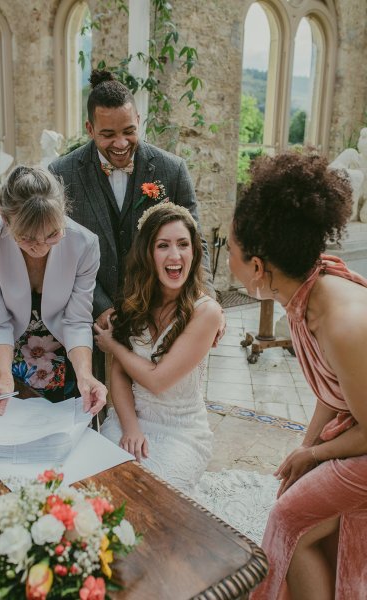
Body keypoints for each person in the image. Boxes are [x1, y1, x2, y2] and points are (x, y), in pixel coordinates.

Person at [225, 151, 367, 599]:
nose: (226, 256)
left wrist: (314, 456)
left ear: (258, 267)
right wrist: (307, 446)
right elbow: (337, 393)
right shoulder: (306, 291)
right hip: (356, 433)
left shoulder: (342, 322)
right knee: (303, 518)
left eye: (229, 249)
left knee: (288, 519)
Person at [49, 69, 221, 382]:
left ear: (139, 120)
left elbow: (196, 244)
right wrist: (100, 306)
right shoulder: (62, 174)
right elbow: (60, 252)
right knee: (95, 405)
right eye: (107, 134)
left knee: (152, 399)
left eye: (129, 131)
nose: (120, 143)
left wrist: (208, 301)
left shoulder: (171, 169)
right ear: (90, 128)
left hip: (158, 312)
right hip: (90, 315)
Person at [93, 202, 221, 493]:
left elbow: (157, 380)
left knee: (148, 494)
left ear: (194, 252)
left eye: (183, 244)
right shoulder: (135, 302)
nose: (174, 255)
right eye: (163, 245)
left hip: (181, 433)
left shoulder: (207, 313)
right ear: (148, 254)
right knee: (99, 485)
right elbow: (120, 373)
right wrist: (131, 428)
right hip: (130, 419)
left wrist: (113, 345)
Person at [0, 165, 107, 419]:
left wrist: (85, 376)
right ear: (6, 221)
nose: (41, 247)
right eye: (28, 238)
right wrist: (4, 377)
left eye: (53, 235)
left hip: (61, 350)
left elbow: (77, 320)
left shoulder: (85, 244)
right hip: (1, 347)